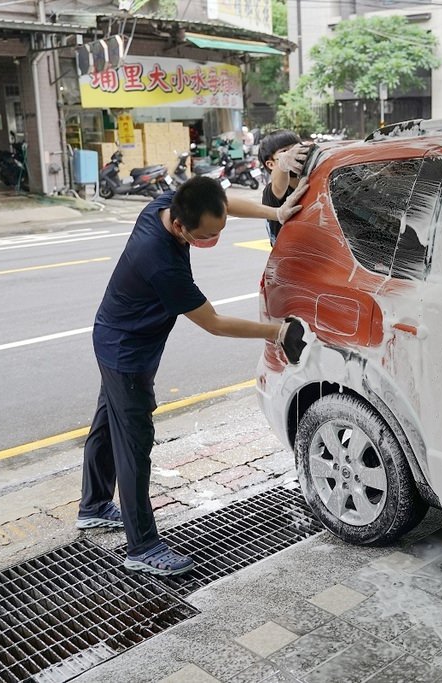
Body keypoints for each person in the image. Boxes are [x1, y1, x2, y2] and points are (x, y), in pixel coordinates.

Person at [76, 176, 308, 577]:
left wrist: (277, 212)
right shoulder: (160, 260)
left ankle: (94, 506)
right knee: (133, 444)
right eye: (207, 235)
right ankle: (142, 547)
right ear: (181, 227)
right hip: (127, 352)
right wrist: (276, 331)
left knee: (107, 423)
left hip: (114, 333)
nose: (214, 237)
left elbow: (222, 202)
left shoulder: (169, 203)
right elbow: (214, 323)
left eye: (219, 230)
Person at [259, 130, 312, 245]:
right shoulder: (271, 191)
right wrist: (283, 164)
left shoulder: (313, 179)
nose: (293, 153)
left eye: (296, 148)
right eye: (285, 151)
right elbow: (279, 185)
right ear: (271, 164)